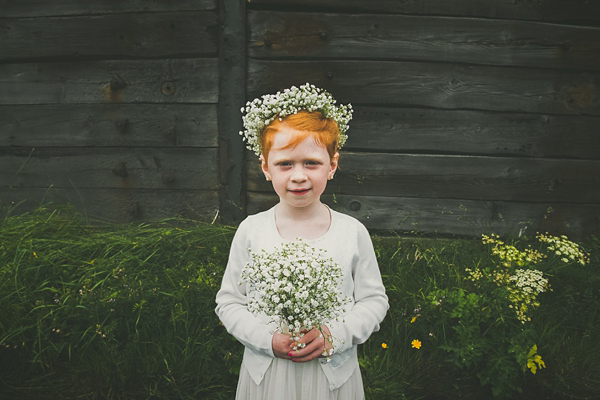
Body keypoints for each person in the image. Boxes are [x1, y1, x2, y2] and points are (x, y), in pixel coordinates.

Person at [215, 83, 388, 400]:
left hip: (331, 376)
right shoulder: (252, 231)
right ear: (266, 168)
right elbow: (229, 302)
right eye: (285, 164)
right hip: (267, 375)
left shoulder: (351, 233)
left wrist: (334, 335)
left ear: (332, 165)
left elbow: (374, 301)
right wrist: (267, 339)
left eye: (311, 162)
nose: (298, 176)